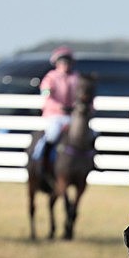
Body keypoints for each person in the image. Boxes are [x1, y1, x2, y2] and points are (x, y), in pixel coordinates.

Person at [34, 46, 80, 178]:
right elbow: (46, 95)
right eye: (62, 62)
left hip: (72, 115)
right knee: (52, 134)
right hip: (54, 115)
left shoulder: (76, 77)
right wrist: (59, 107)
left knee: (89, 134)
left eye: (67, 62)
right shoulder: (50, 78)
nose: (65, 64)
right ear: (57, 63)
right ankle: (42, 160)